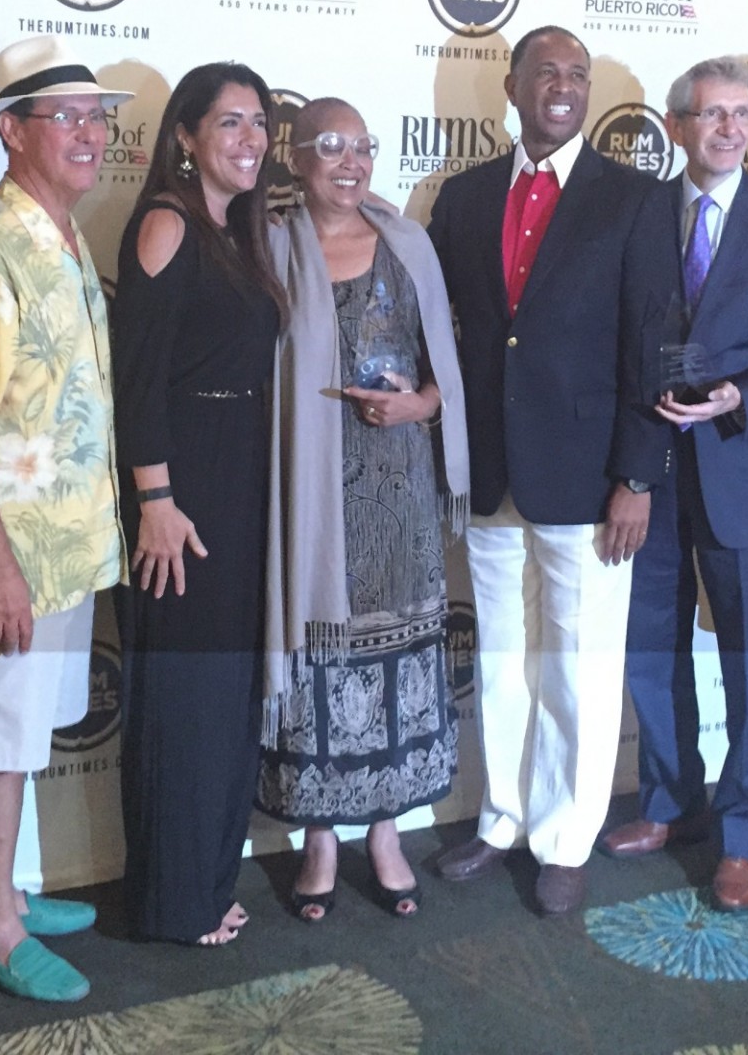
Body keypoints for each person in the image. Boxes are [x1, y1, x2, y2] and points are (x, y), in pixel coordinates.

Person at [426, 25, 677, 917]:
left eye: (578, 74)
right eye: (547, 72)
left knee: (577, 661)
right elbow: (451, 334)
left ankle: (565, 836)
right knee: (502, 657)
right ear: (514, 84)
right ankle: (502, 819)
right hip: (490, 474)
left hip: (590, 479)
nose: (563, 86)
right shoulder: (462, 197)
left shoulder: (636, 201)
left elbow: (655, 345)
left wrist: (638, 475)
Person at [0, 37, 130, 1003]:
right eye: (66, 119)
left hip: (67, 554)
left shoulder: (62, 235)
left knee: (25, 737)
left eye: (98, 118)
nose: (90, 135)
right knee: (1, 747)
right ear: (11, 131)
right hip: (6, 563)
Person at [602, 56, 748, 916]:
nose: (730, 129)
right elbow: (623, 352)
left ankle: (742, 837)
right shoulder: (639, 217)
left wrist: (745, 398)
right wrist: (629, 471)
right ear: (676, 127)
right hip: (652, 478)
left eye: (743, 114)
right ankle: (668, 804)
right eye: (712, 115)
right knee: (651, 650)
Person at [257, 98, 469, 921]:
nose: (350, 162)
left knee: (403, 655)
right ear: (297, 156)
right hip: (311, 492)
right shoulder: (271, 246)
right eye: (332, 146)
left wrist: (422, 404)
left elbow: (442, 361)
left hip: (400, 491)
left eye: (364, 147)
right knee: (321, 654)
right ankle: (319, 840)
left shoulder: (408, 243)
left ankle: (385, 832)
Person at [113, 61, 286, 946]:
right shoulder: (166, 224)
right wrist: (156, 500)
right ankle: (172, 902)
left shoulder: (237, 229)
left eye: (259, 123)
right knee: (184, 699)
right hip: (182, 496)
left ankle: (207, 879)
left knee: (224, 697)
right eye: (229, 123)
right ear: (184, 136)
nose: (250, 139)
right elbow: (136, 380)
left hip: (239, 481)